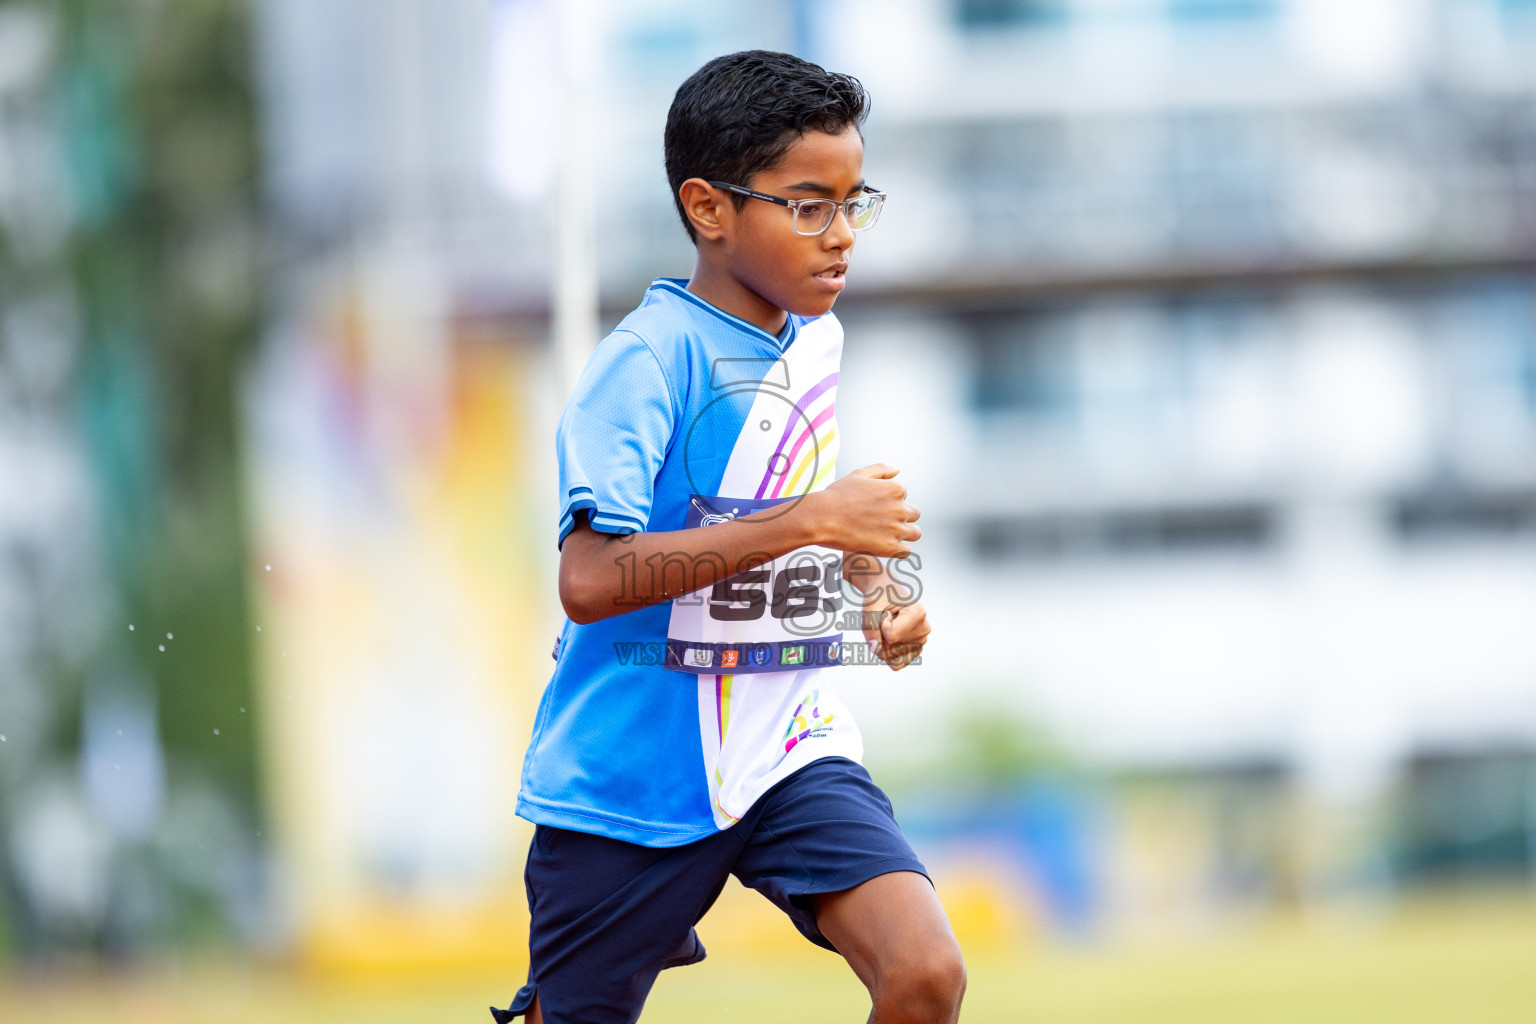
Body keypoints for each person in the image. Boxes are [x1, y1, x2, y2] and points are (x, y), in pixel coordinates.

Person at [492, 50, 964, 1024]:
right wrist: (812, 519)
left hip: (787, 741)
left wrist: (877, 594)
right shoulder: (644, 364)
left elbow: (801, 499)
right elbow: (587, 581)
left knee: (924, 975)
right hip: (632, 776)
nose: (840, 238)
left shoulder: (814, 336)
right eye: (807, 205)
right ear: (709, 209)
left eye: (852, 203)